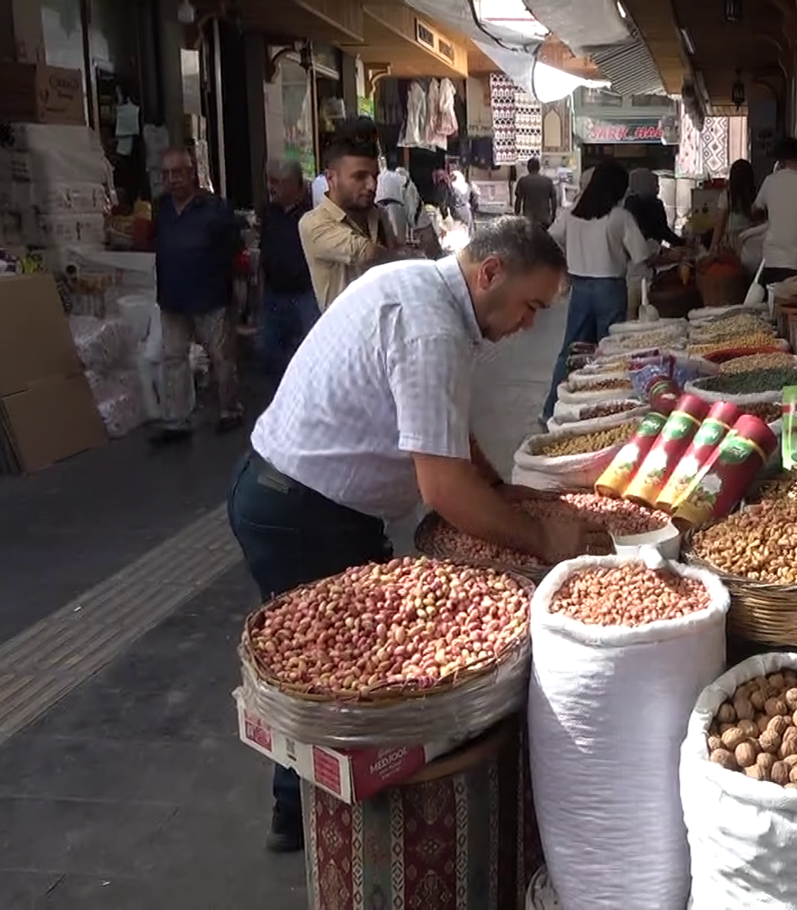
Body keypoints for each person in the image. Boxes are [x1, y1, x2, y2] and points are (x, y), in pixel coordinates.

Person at [229, 216, 597, 853]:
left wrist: (500, 489)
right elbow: (444, 492)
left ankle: (311, 816)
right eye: (530, 306)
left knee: (343, 668)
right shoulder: (431, 329)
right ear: (489, 274)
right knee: (335, 682)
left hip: (300, 497)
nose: (530, 325)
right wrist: (542, 541)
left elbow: (443, 428)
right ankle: (324, 833)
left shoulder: (425, 291)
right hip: (298, 508)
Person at [542, 160, 652, 423]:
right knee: (609, 353)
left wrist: (568, 259)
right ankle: (604, 412)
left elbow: (550, 236)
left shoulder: (571, 215)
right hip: (610, 289)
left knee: (570, 350)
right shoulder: (620, 217)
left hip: (580, 288)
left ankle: (550, 410)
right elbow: (641, 255)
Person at [150, 147, 243, 444]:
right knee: (173, 358)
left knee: (221, 357)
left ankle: (230, 410)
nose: (172, 180)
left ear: (192, 173)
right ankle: (177, 420)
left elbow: (234, 248)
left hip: (210, 296)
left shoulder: (215, 208)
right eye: (166, 174)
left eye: (178, 172)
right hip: (173, 297)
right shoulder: (162, 207)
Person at [299, 130, 402, 311]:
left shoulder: (379, 215)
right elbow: (365, 252)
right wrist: (405, 259)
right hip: (345, 334)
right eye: (359, 177)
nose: (371, 185)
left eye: (375, 176)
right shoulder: (313, 223)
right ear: (331, 178)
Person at [257, 159, 319, 382]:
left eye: (276, 182)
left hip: (305, 295)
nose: (270, 187)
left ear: (294, 184)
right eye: (268, 181)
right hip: (274, 294)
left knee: (309, 352)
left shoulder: (313, 212)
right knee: (269, 353)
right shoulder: (269, 210)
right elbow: (264, 250)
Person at [622, 168, 683, 319]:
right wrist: (677, 248)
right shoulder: (632, 206)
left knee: (635, 312)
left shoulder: (639, 204)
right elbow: (661, 232)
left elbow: (662, 231)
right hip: (638, 267)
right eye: (654, 184)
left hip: (641, 267)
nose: (657, 188)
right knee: (640, 309)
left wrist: (680, 243)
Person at [752, 136, 797, 290]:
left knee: (772, 305)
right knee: (791, 307)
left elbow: (755, 209)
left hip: (772, 259)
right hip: (795, 261)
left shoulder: (770, 181)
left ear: (781, 160)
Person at [710, 158, 757, 255]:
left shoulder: (727, 195)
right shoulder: (755, 196)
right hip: (750, 243)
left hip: (731, 244)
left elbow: (720, 225)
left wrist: (712, 249)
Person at [514, 157, 558, 229]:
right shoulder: (548, 181)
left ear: (528, 168)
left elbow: (518, 200)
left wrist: (517, 216)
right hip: (544, 219)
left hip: (528, 219)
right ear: (539, 168)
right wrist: (553, 216)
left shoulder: (523, 181)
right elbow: (554, 200)